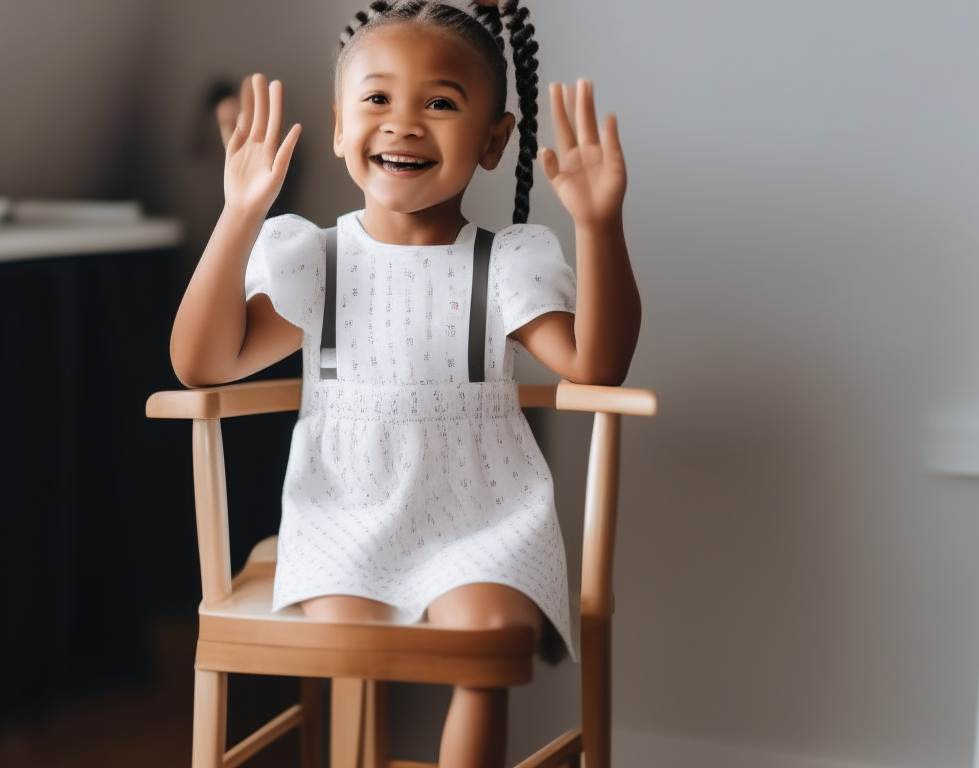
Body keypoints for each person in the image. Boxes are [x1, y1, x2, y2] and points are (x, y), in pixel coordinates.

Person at [171, 2, 641, 766]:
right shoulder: (313, 258)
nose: (404, 123)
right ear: (337, 126)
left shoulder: (507, 262)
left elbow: (597, 364)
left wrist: (600, 225)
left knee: (484, 643)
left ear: (494, 141)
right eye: (378, 98)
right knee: (350, 642)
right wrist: (239, 215)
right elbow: (201, 363)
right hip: (343, 513)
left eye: (441, 103)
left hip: (481, 518)